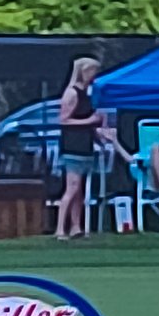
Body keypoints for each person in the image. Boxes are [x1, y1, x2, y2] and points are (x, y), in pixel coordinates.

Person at [53, 57, 103, 240]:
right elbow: (64, 120)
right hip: (72, 146)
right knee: (72, 187)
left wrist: (99, 135)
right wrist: (89, 121)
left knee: (79, 190)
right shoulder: (72, 93)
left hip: (85, 145)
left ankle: (76, 226)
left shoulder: (87, 94)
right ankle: (60, 228)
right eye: (92, 71)